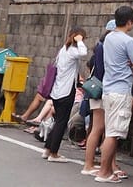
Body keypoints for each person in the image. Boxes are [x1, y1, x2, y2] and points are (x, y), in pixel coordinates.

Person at [96, 6, 133, 184]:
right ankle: (103, 172)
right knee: (113, 134)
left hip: (108, 90)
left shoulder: (109, 38)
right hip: (121, 91)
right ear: (130, 21)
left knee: (110, 131)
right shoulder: (128, 40)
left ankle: (107, 171)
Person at [41, 27, 87, 163]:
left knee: (58, 121)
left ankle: (48, 149)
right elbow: (83, 53)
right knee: (61, 122)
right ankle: (53, 153)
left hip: (57, 91)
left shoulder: (63, 50)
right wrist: (79, 40)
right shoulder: (72, 51)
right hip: (66, 92)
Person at [82, 19, 119, 176]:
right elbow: (105, 71)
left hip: (96, 89)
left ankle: (91, 164)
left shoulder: (99, 46)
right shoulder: (106, 48)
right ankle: (102, 166)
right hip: (104, 90)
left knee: (98, 129)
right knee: (103, 129)